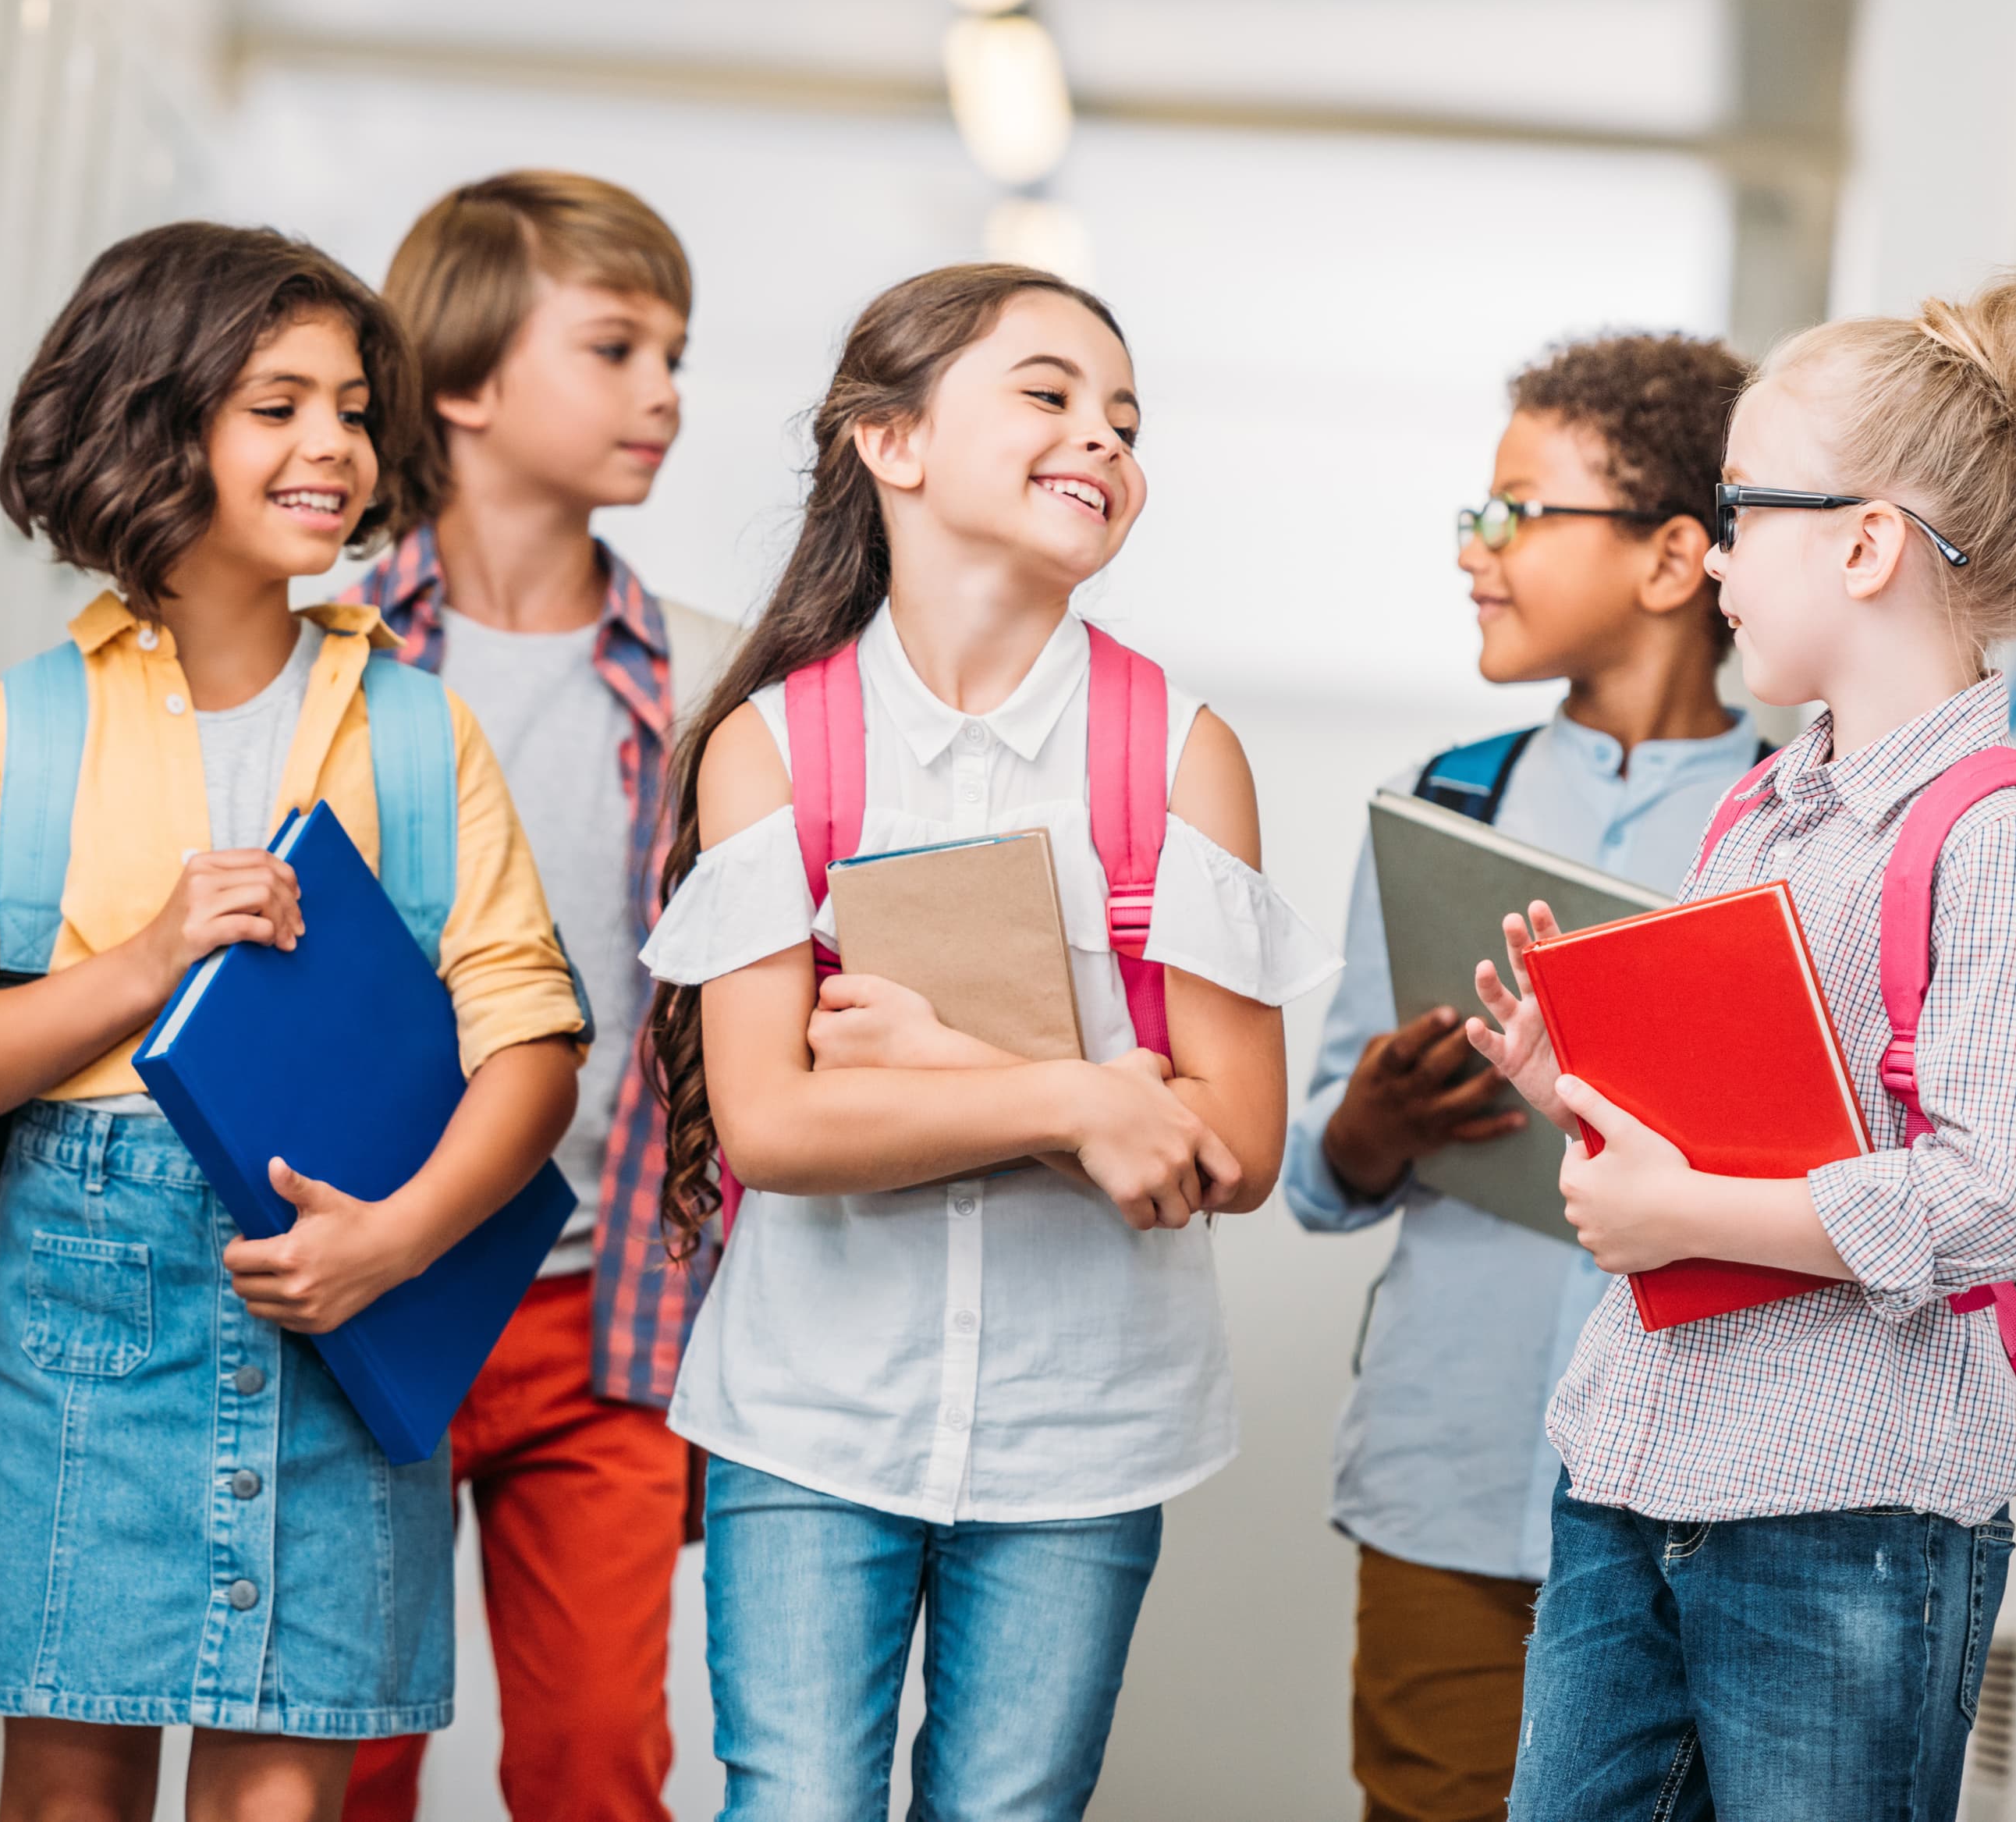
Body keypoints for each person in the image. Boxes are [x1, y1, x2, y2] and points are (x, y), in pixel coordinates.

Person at [0, 222, 587, 1822]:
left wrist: (396, 1242)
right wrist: (147, 961)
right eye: (276, 405)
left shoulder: (416, 731)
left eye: (350, 408)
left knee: (278, 1804)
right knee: (67, 1797)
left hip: (345, 1309)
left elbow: (534, 1043)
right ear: (150, 422)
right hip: (89, 1326)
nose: (332, 444)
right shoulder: (19, 733)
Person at [639, 262, 1336, 1821]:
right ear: (892, 442)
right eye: (1049, 393)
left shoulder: (1178, 754)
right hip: (809, 1416)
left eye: (1127, 418)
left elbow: (1225, 1149)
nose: (1103, 437)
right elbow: (771, 1124)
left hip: (1086, 1432)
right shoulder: (771, 749)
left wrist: (939, 1071)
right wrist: (1077, 1096)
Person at [1470, 265, 2016, 1822]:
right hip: (1629, 1472)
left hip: (1851, 1513)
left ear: (1867, 540)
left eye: (1742, 509)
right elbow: (1750, 1122)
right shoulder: (1762, 810)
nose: (1715, 560)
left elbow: (2003, 1198)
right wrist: (1577, 1088)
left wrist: (1686, 1212)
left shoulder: (2004, 840)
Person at [1279, 335, 1753, 1822]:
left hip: (1701, 1492)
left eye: (1517, 514)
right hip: (1451, 1471)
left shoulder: (1785, 834)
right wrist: (1370, 1125)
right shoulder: (1445, 806)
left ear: (1675, 557)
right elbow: (1322, 1167)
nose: (1476, 553)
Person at [348, 171, 736, 1822]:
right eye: (618, 347)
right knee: (339, 1748)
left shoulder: (713, 676)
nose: (666, 393)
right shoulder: (326, 641)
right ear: (463, 381)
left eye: (677, 353)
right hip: (363, 1278)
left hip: (608, 1306)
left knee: (596, 1763)